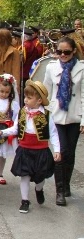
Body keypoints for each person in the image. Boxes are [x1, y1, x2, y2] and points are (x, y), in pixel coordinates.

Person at [0, 81, 61, 214]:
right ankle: (24, 201)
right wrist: (2, 132)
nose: (25, 100)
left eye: (29, 98)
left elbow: (53, 133)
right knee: (24, 176)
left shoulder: (46, 115)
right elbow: (15, 129)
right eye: (25, 97)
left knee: (40, 177)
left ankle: (39, 189)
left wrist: (57, 150)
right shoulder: (22, 112)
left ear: (39, 101)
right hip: (24, 150)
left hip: (41, 151)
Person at [42, 36, 84, 206]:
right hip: (57, 116)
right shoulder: (51, 68)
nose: (63, 55)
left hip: (74, 116)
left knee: (70, 153)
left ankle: (66, 184)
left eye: (66, 52)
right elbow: (46, 92)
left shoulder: (81, 69)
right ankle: (59, 191)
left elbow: (83, 95)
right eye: (59, 52)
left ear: (73, 51)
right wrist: (48, 112)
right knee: (60, 152)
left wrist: (83, 121)